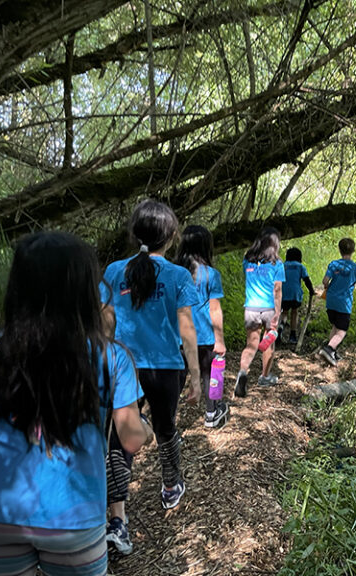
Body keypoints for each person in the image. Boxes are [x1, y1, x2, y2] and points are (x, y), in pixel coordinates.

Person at [0, 231, 149, 576]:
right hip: (74, 518)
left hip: (0, 512)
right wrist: (147, 429)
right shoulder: (112, 358)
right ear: (84, 290)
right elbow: (132, 439)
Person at [101, 199, 200, 554]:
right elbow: (187, 329)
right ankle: (171, 484)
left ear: (135, 233)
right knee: (166, 429)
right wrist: (197, 376)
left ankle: (117, 521)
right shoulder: (177, 275)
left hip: (122, 366)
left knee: (121, 438)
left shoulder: (114, 271)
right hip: (165, 369)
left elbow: (106, 322)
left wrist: (104, 363)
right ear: (171, 236)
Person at [176, 225, 229, 429]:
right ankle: (211, 413)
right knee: (209, 374)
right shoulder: (211, 275)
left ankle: (170, 423)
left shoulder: (175, 273)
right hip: (205, 335)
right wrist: (220, 339)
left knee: (178, 379)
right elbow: (214, 309)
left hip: (179, 335)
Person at [235, 227, 285, 395]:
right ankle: (264, 376)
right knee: (269, 342)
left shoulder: (247, 261)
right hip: (269, 308)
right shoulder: (277, 264)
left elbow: (248, 278)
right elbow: (277, 290)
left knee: (251, 344)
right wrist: (277, 313)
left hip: (250, 308)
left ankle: (242, 372)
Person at [319, 238, 356, 366]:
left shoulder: (334, 264)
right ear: (353, 251)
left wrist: (327, 288)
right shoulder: (355, 268)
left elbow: (324, 281)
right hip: (343, 304)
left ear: (339, 250)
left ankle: (333, 352)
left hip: (331, 301)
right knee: (342, 331)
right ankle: (328, 349)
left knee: (335, 326)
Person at [280, 247, 315, 345]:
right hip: (295, 294)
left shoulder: (282, 266)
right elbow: (306, 280)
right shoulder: (300, 267)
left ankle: (280, 328)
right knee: (294, 312)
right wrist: (311, 290)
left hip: (283, 294)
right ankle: (292, 335)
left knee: (284, 312)